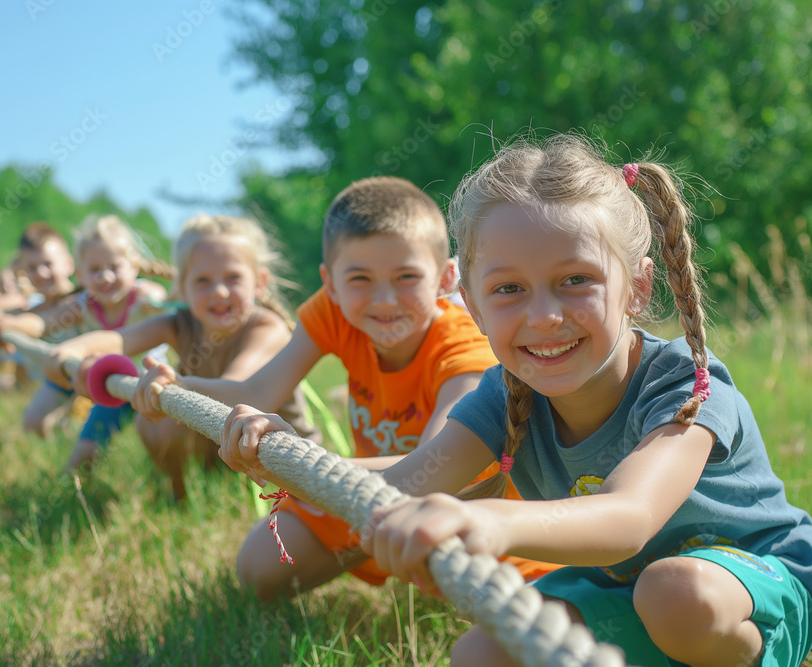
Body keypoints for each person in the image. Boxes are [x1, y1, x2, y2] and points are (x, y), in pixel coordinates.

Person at [347, 135, 812, 666]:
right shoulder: (503, 394)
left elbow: (629, 518)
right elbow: (410, 479)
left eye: (575, 280)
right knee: (481, 654)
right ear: (472, 304)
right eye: (508, 289)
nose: (544, 315)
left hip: (754, 584)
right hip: (623, 588)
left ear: (638, 287)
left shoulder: (684, 383)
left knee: (677, 594)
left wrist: (494, 523)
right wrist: (283, 458)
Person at [135, 177, 560, 600]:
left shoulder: (463, 348)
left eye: (406, 276)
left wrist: (297, 465)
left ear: (445, 278)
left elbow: (428, 474)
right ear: (331, 284)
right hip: (370, 491)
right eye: (360, 279)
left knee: (516, 617)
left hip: (465, 507)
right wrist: (177, 385)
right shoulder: (333, 312)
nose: (384, 300)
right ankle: (372, 546)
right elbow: (258, 391)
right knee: (259, 568)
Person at [46, 214, 319, 500]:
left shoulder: (266, 328)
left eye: (233, 277)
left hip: (284, 461)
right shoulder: (180, 323)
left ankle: (217, 494)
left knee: (164, 398)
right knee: (152, 417)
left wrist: (179, 384)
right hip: (224, 446)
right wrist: (73, 350)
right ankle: (180, 497)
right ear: (182, 287)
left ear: (259, 282)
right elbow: (120, 338)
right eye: (202, 280)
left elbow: (244, 393)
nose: (219, 291)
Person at [0, 214, 171, 478]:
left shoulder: (143, 299)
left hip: (147, 386)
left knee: (165, 450)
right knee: (78, 458)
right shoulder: (81, 305)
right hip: (106, 386)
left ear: (134, 267)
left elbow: (163, 301)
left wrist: (155, 300)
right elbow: (42, 324)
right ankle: (60, 474)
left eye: (114, 266)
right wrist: (12, 325)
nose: (105, 276)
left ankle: (170, 493)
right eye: (95, 269)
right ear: (81, 275)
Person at [0, 222, 79, 434]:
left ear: (68, 264)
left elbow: (42, 321)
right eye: (33, 267)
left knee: (73, 427)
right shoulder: (38, 307)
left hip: (87, 380)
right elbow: (19, 316)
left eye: (48, 264)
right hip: (58, 379)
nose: (41, 273)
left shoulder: (81, 300)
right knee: (32, 425)